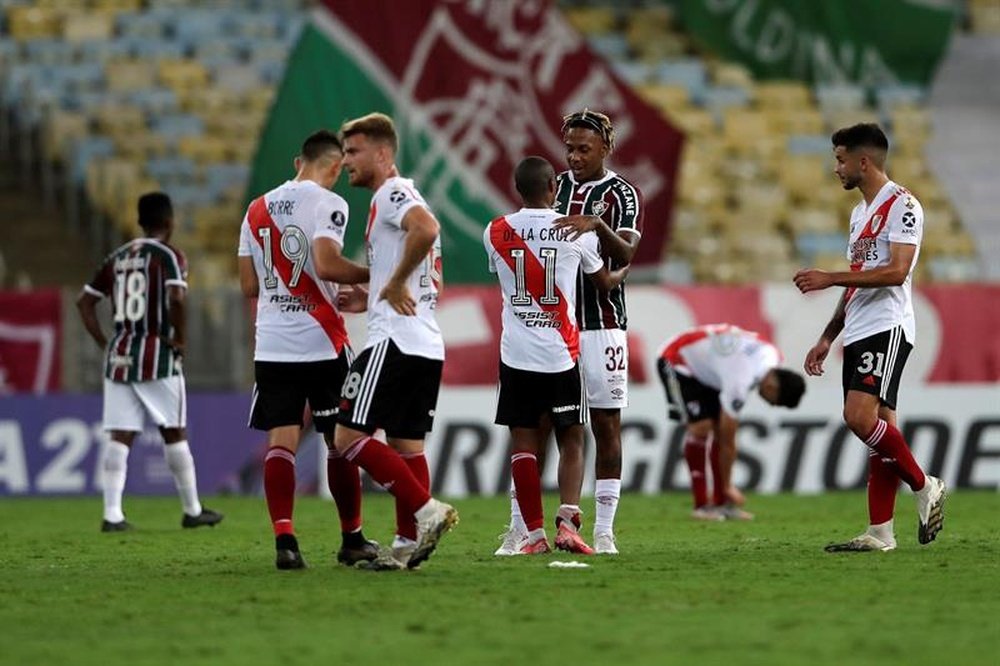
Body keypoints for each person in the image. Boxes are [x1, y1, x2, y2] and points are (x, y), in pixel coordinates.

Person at [794, 122, 946, 552]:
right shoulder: (859, 213)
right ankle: (881, 532)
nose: (836, 168)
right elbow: (860, 279)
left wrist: (828, 278)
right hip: (859, 327)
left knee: (858, 418)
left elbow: (898, 272)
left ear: (863, 161)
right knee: (881, 432)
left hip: (888, 325)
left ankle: (924, 483)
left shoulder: (904, 205)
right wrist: (828, 335)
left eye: (840, 160)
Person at [497, 109, 642, 556]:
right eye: (570, 148)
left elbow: (628, 253)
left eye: (584, 148)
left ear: (605, 147)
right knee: (536, 425)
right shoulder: (552, 189)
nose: (575, 157)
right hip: (554, 330)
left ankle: (604, 528)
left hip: (601, 324)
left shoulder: (622, 193)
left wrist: (596, 224)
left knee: (604, 422)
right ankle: (522, 526)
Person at [238, 129, 380, 570]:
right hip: (321, 341)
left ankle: (285, 539)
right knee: (339, 442)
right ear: (335, 166)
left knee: (281, 439)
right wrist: (378, 274)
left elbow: (248, 285)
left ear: (298, 161)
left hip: (273, 342)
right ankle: (351, 538)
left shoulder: (255, 209)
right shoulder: (329, 203)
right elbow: (328, 265)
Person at [331, 112, 457, 570]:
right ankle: (406, 547)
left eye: (353, 151)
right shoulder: (404, 197)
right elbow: (429, 275)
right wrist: (377, 290)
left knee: (346, 438)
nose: (346, 161)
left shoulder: (392, 193)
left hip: (394, 342)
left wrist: (394, 283)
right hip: (425, 343)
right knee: (408, 448)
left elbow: (426, 229)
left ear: (383, 154)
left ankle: (427, 511)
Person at [77, 192, 223, 533]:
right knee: (174, 431)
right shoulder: (169, 256)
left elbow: (84, 302)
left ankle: (112, 513)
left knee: (120, 435)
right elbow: (176, 296)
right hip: (156, 353)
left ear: (140, 223)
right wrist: (181, 339)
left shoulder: (118, 256)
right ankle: (192, 509)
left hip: (120, 356)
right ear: (170, 222)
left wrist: (105, 342)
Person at [656, 324, 806, 520]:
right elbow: (728, 441)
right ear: (772, 386)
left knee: (719, 429)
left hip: (710, 369)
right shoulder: (740, 381)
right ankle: (702, 506)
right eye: (774, 401)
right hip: (677, 359)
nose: (770, 404)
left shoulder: (774, 357)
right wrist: (729, 485)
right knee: (701, 428)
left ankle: (721, 504)